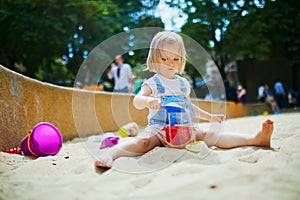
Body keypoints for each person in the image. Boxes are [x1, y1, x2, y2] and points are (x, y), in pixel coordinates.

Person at [95, 31, 274, 168]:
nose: (169, 63)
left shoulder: (183, 83)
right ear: (154, 59)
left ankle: (254, 139)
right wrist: (148, 101)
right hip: (160, 129)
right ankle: (112, 153)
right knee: (144, 142)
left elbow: (189, 106)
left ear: (181, 60)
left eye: (175, 59)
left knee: (211, 135)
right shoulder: (153, 83)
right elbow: (137, 100)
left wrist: (210, 117)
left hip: (184, 128)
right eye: (164, 58)